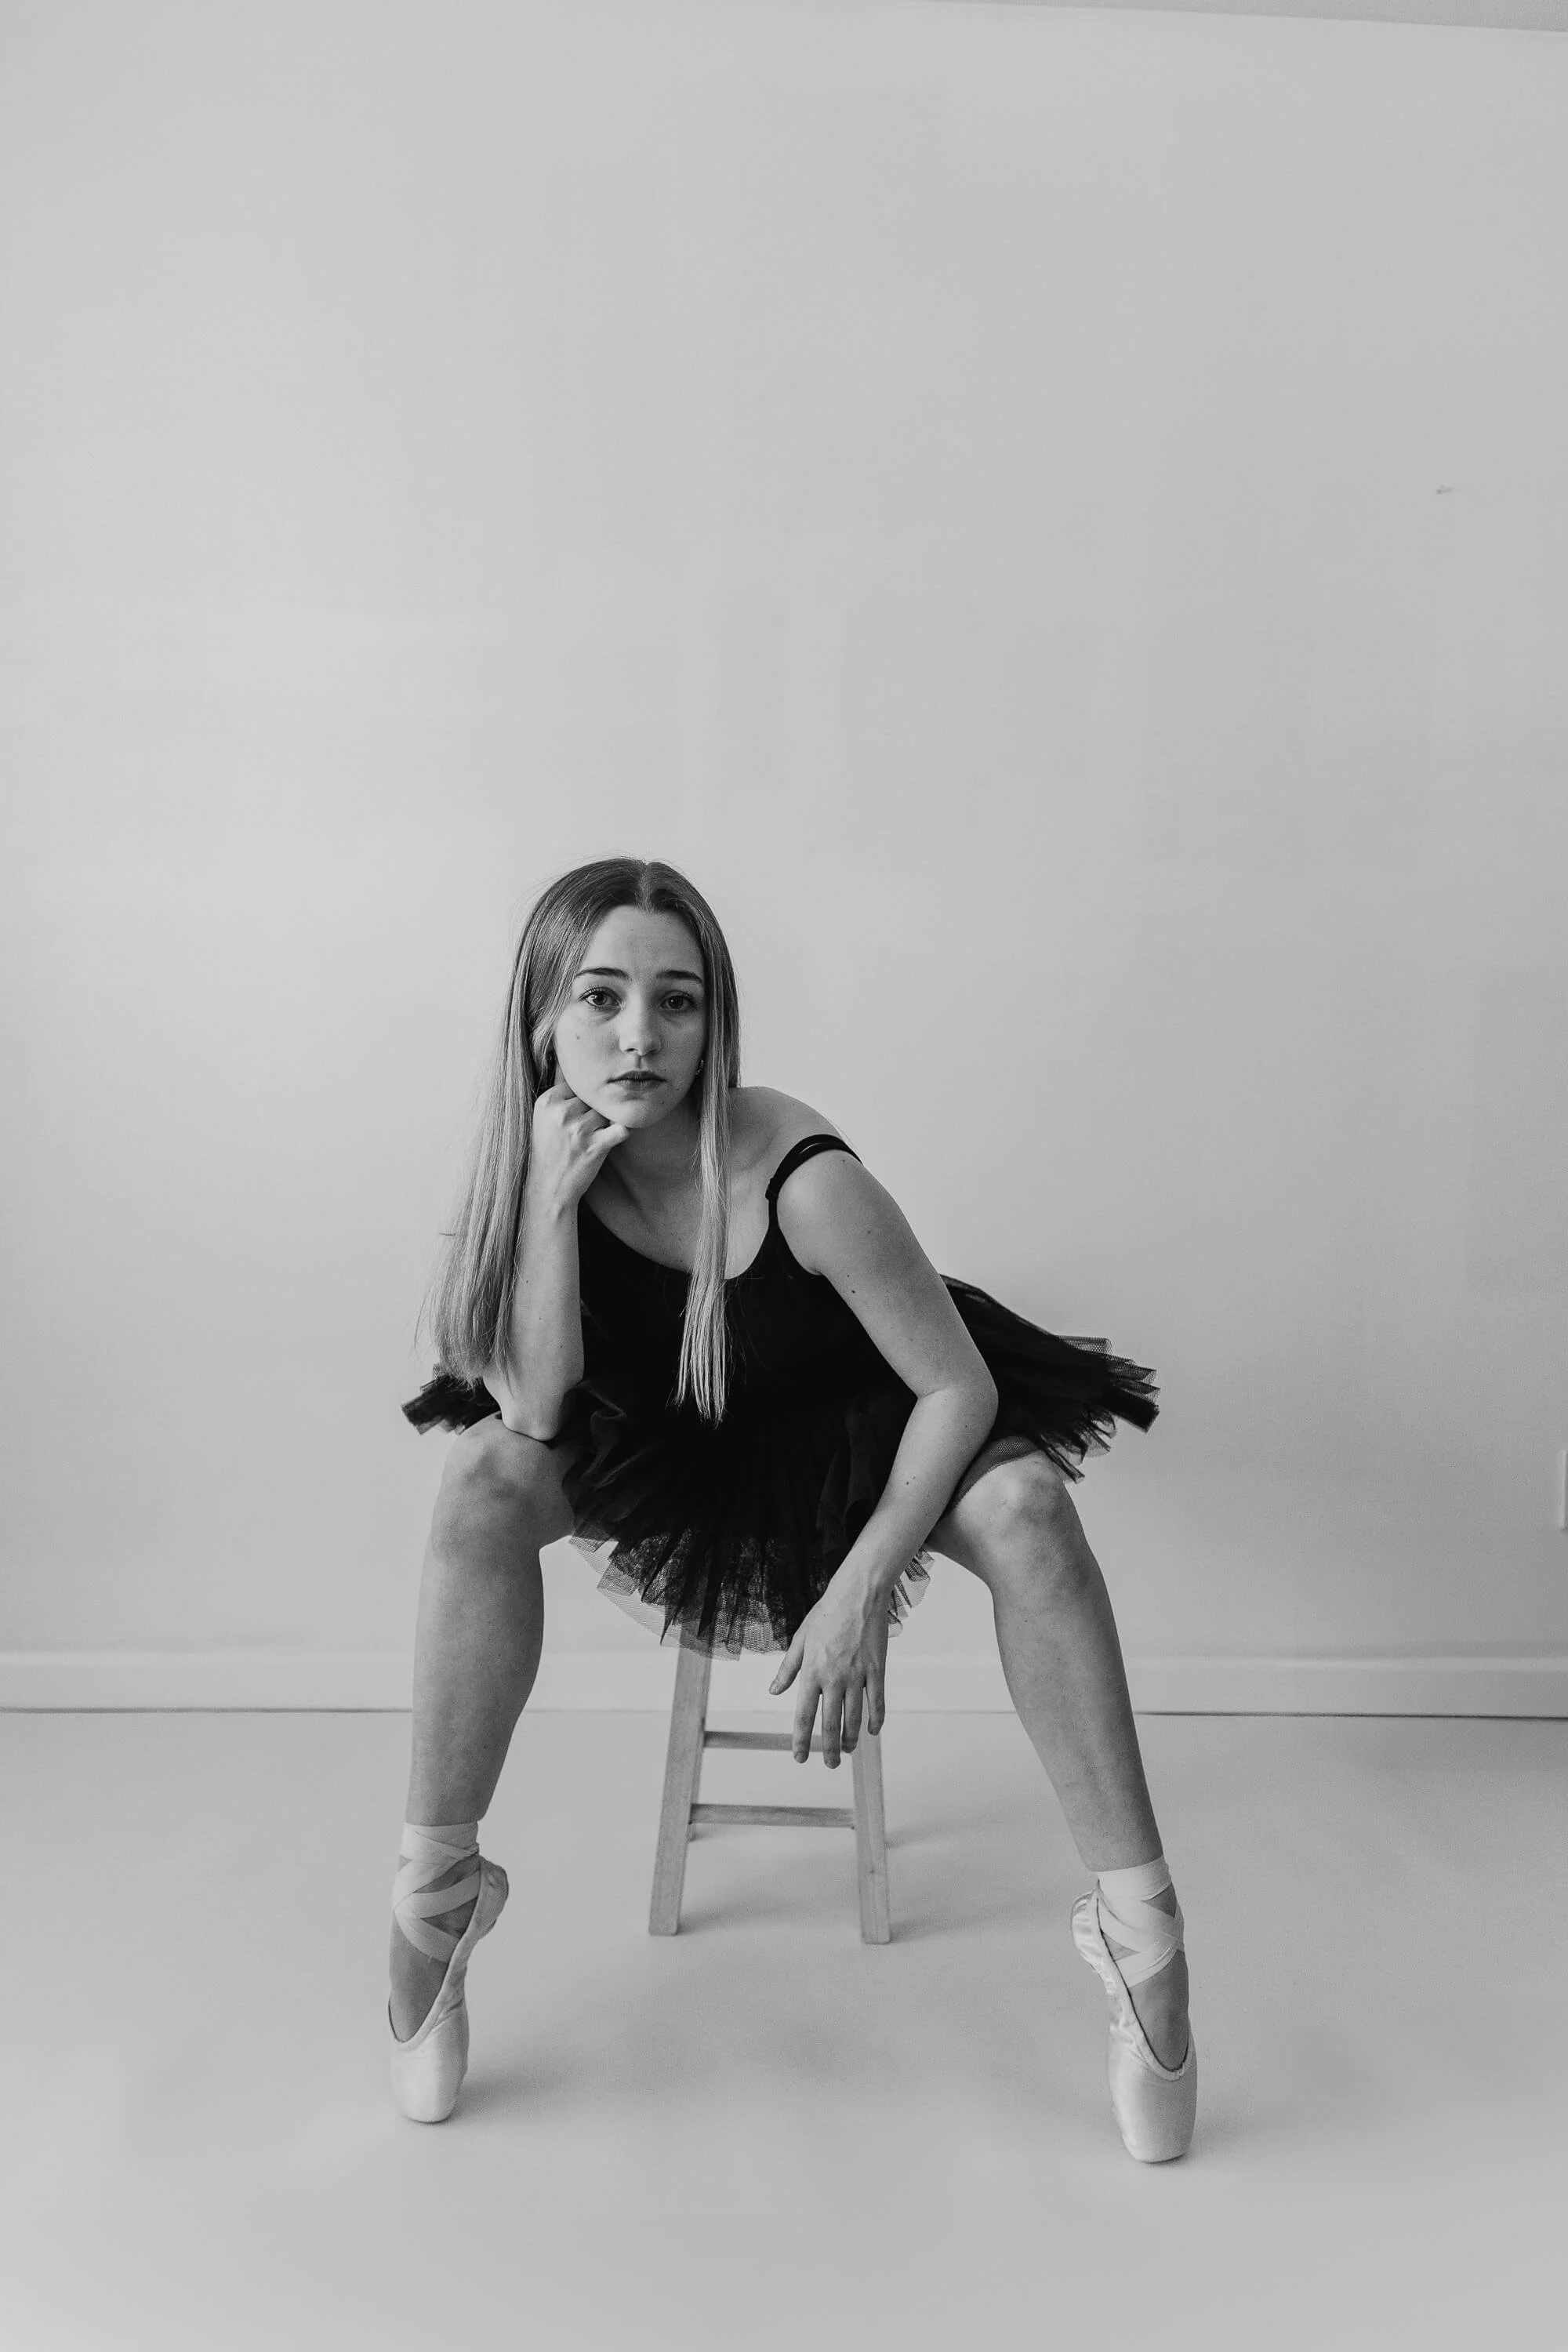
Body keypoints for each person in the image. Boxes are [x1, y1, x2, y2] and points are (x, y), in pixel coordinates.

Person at [392, 855, 1195, 2161]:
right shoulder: (533, 1170)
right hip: (673, 1430)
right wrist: (546, 1199)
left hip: (870, 1417)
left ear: (719, 1022)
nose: (640, 1037)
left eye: (679, 1001)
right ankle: (433, 1898)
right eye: (598, 999)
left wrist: (861, 1583)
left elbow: (953, 1387)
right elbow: (539, 1412)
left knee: (1035, 1510)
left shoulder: (798, 1175)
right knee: (481, 1478)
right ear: (539, 1017)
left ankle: (1142, 1933)